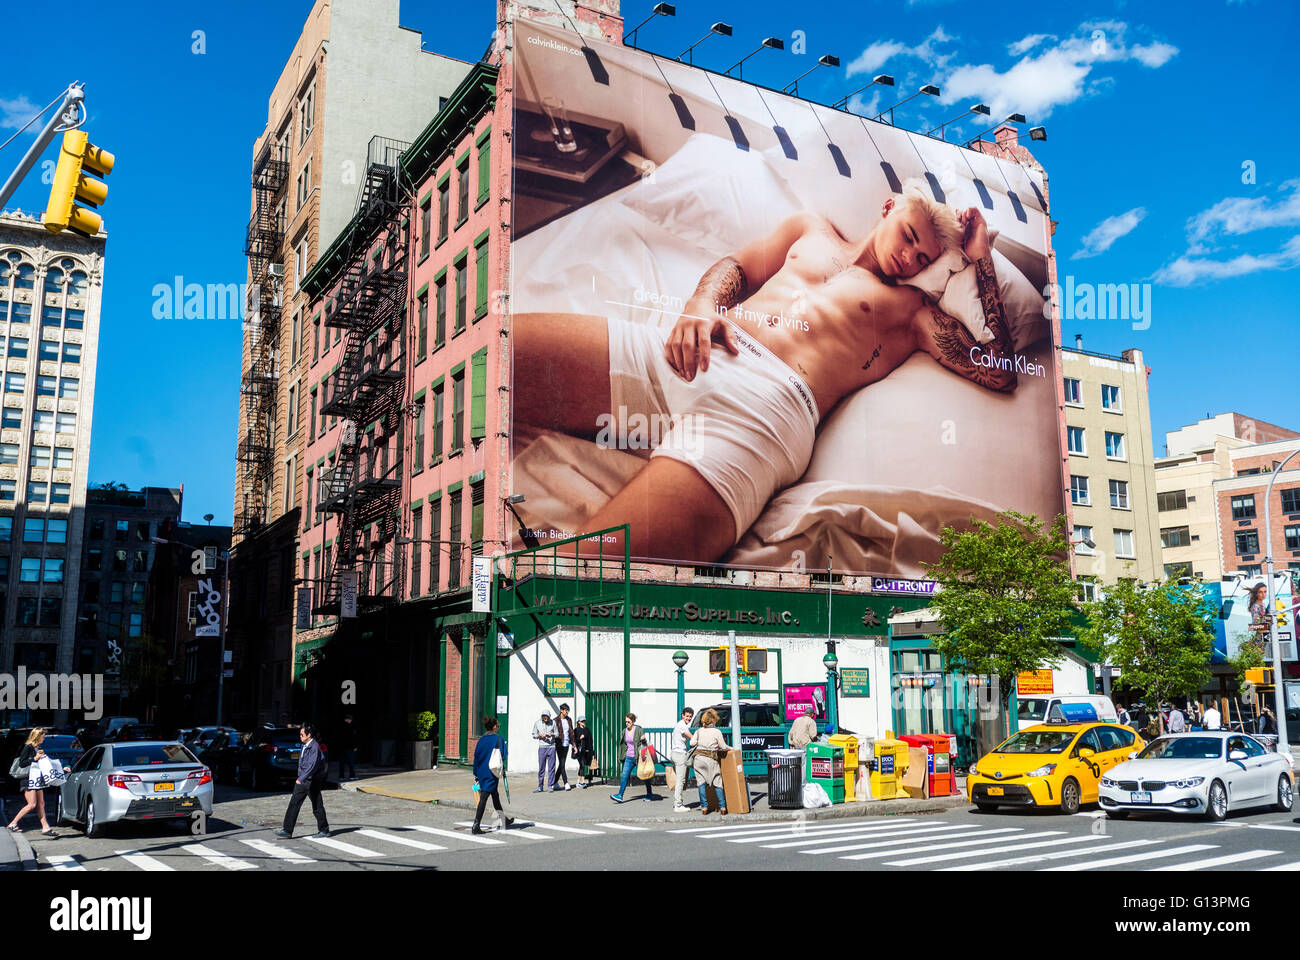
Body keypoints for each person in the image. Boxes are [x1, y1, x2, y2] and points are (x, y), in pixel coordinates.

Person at [514, 183, 1015, 563]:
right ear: (889, 207)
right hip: (694, 347)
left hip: (764, 411)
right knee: (497, 358)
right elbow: (742, 266)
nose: (909, 257)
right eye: (909, 237)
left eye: (924, 257)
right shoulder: (809, 230)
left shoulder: (912, 310)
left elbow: (1000, 372)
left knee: (588, 575)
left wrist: (981, 260)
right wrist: (700, 303)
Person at [274, 723, 329, 839]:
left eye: (302, 734)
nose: (300, 736)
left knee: (317, 805)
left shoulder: (315, 747)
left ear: (309, 735)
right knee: (294, 804)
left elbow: (312, 766)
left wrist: (301, 778)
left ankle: (324, 830)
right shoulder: (304, 745)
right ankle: (287, 830)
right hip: (303, 780)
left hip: (311, 781)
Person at [6, 728, 65, 835]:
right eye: (42, 736)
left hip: (36, 779)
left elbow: (46, 763)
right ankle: (12, 823)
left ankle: (45, 827)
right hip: (28, 780)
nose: (43, 738)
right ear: (36, 736)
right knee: (32, 804)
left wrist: (61, 768)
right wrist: (35, 759)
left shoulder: (38, 748)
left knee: (41, 804)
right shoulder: (28, 747)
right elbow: (22, 763)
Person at [471, 717, 514, 834]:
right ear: (494, 727)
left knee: (495, 795)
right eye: (498, 726)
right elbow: (504, 756)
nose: (498, 727)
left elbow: (476, 757)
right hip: (492, 772)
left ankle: (503, 819)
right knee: (484, 797)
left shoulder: (481, 740)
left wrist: (475, 773)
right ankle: (476, 824)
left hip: (481, 771)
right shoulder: (498, 739)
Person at [690, 709, 731, 815]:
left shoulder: (698, 731)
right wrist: (732, 748)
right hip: (711, 759)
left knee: (701, 783)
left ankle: (704, 807)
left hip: (698, 759)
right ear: (713, 720)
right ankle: (722, 807)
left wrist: (699, 742)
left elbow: (691, 743)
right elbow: (723, 746)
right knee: (717, 782)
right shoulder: (717, 732)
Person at [610, 712, 653, 803]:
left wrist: (643, 739)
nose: (627, 723)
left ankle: (649, 793)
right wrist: (623, 755)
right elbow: (624, 744)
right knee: (624, 776)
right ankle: (620, 795)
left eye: (629, 722)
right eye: (626, 722)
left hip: (639, 757)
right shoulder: (624, 731)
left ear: (633, 721)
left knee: (644, 776)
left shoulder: (638, 730)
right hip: (629, 757)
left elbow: (645, 744)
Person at [670, 707, 695, 813]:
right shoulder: (682, 726)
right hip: (680, 754)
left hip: (677, 753)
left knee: (681, 780)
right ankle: (678, 804)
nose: (688, 718)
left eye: (690, 716)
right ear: (682, 715)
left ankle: (678, 803)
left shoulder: (681, 725)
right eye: (687, 716)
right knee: (681, 780)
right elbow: (692, 738)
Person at [532, 711, 557, 793]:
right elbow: (534, 734)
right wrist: (539, 735)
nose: (545, 718)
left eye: (546, 716)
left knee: (551, 768)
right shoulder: (537, 723)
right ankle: (540, 786)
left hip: (552, 747)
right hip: (542, 747)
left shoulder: (553, 723)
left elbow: (557, 734)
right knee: (541, 768)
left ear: (549, 716)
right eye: (544, 716)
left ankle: (550, 786)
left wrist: (552, 734)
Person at [553, 704, 576, 791]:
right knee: (562, 764)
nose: (567, 712)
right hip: (559, 745)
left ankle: (554, 782)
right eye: (566, 710)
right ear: (561, 710)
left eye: (568, 710)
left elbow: (572, 733)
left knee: (561, 764)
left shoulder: (569, 720)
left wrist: (574, 745)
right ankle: (566, 782)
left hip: (566, 744)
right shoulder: (555, 720)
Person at [572, 715, 597, 788]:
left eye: (584, 721)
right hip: (579, 751)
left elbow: (590, 741)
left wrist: (592, 752)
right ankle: (582, 782)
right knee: (582, 764)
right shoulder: (576, 730)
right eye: (582, 721)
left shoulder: (587, 730)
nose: (584, 722)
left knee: (582, 765)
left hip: (586, 751)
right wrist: (580, 738)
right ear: (579, 722)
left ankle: (578, 782)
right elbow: (573, 741)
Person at [337, 714, 358, 781]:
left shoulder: (339, 727)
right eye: (350, 720)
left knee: (341, 763)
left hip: (341, 748)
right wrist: (355, 746)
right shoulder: (351, 727)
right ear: (348, 720)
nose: (351, 721)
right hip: (349, 747)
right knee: (351, 762)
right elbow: (353, 738)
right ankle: (351, 776)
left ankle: (341, 777)